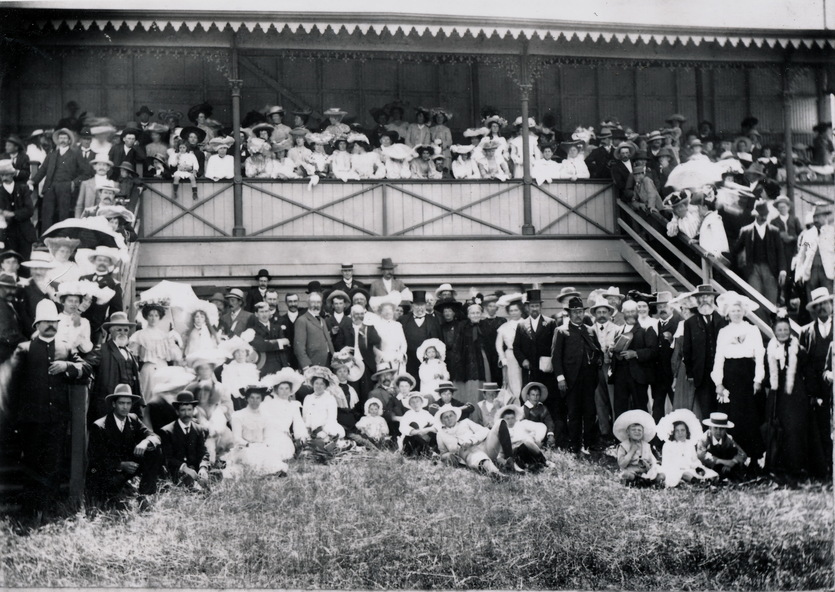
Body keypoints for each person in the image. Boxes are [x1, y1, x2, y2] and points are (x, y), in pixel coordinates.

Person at [9, 299, 91, 511]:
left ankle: (49, 507)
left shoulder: (65, 348)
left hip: (57, 418)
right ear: (36, 325)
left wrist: (67, 366)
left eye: (53, 321)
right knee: (31, 462)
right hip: (31, 419)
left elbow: (87, 368)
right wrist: (15, 418)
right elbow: (12, 387)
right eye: (45, 322)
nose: (50, 325)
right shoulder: (24, 349)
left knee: (53, 463)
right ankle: (31, 508)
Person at [711, 291, 765, 465]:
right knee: (733, 416)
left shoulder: (752, 329)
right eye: (733, 310)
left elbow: (759, 355)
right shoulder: (724, 332)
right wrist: (718, 382)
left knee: (751, 416)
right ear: (727, 313)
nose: (736, 313)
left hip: (747, 374)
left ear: (744, 311)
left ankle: (754, 459)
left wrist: (758, 379)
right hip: (730, 375)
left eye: (739, 310)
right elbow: (719, 357)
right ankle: (733, 458)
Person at [87, 384, 163, 505]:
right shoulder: (100, 426)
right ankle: (117, 494)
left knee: (153, 449)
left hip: (129, 468)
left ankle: (144, 494)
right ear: (113, 404)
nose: (125, 407)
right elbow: (96, 459)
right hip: (108, 471)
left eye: (128, 403)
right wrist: (120, 465)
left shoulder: (133, 419)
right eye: (121, 403)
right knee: (113, 501)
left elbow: (155, 437)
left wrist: (145, 442)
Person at [553, 296, 603, 452]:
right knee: (573, 413)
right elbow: (556, 357)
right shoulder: (561, 331)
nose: (578, 315)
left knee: (590, 412)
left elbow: (598, 350)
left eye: (580, 311)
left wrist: (599, 359)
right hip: (570, 380)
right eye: (574, 312)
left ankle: (590, 443)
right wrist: (560, 378)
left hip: (589, 379)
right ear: (569, 313)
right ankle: (574, 444)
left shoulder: (590, 330)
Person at [763, 311, 809, 477]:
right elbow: (767, 376)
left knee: (793, 430)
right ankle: (776, 467)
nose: (782, 333)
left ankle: (795, 467)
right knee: (776, 428)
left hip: (794, 395)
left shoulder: (799, 350)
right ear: (774, 331)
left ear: (790, 331)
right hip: (777, 396)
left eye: (785, 330)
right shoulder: (770, 350)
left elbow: (807, 372)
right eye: (779, 330)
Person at [799, 286, 834, 479]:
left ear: (831, 304)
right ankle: (825, 470)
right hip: (817, 392)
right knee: (821, 430)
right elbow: (804, 365)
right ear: (813, 309)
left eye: (825, 303)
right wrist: (811, 394)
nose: (822, 308)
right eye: (817, 305)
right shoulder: (805, 332)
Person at [87, 311, 144, 426]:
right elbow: (86, 365)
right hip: (108, 406)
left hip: (128, 406)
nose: (123, 333)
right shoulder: (102, 350)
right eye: (119, 330)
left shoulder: (129, 352)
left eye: (126, 330)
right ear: (110, 331)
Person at [732, 200, 786, 317]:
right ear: (756, 215)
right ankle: (760, 329)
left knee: (771, 300)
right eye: (761, 214)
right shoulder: (746, 231)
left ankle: (771, 328)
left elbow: (780, 252)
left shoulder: (774, 231)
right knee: (755, 300)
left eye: (765, 214)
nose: (764, 217)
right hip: (753, 269)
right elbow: (735, 249)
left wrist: (782, 270)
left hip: (770, 269)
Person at [682, 284, 727, 420]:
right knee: (706, 409)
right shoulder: (690, 323)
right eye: (702, 297)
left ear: (713, 298)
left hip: (723, 372)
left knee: (723, 407)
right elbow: (687, 349)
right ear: (697, 300)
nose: (705, 299)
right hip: (702, 374)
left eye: (708, 296)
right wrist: (690, 373)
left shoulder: (723, 320)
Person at [28, 128, 88, 230]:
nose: (62, 140)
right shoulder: (52, 154)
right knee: (47, 213)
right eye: (60, 138)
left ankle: (62, 237)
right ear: (57, 140)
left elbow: (86, 173)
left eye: (65, 138)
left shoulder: (75, 155)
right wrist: (33, 181)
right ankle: (45, 238)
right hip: (50, 186)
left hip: (65, 187)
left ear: (69, 141)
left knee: (63, 214)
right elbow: (43, 170)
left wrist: (74, 183)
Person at [225, 385, 289, 478]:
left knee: (271, 459)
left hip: (260, 447)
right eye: (252, 398)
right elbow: (237, 438)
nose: (255, 401)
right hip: (244, 448)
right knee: (251, 459)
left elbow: (267, 436)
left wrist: (265, 445)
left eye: (258, 398)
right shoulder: (238, 415)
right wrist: (249, 445)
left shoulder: (265, 416)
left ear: (261, 399)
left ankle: (268, 473)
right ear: (247, 399)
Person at [159, 391, 212, 489]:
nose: (187, 413)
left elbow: (203, 452)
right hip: (178, 471)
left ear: (193, 411)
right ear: (177, 412)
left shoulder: (199, 429)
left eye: (189, 410)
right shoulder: (167, 431)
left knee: (216, 475)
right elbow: (168, 458)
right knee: (189, 483)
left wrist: (203, 467)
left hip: (196, 471)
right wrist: (185, 468)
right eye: (183, 410)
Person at [658, 408, 717, 488]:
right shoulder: (668, 445)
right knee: (684, 474)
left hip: (690, 469)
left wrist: (698, 467)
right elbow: (667, 464)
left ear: (687, 432)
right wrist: (681, 469)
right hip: (674, 471)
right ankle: (698, 482)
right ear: (673, 433)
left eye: (683, 430)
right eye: (677, 431)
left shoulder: (689, 444)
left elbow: (694, 460)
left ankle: (702, 480)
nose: (680, 433)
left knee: (713, 474)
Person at [589, 297, 619, 443]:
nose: (601, 315)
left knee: (614, 399)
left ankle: (617, 431)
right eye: (598, 312)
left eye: (604, 312)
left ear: (609, 314)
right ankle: (604, 432)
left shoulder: (617, 329)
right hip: (595, 368)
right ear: (594, 314)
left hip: (610, 367)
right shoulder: (589, 330)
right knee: (599, 400)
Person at [80, 246, 124, 340]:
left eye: (105, 260)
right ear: (94, 261)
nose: (102, 263)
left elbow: (116, 310)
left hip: (96, 327)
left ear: (109, 263)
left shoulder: (114, 284)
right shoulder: (83, 279)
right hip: (78, 322)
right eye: (99, 260)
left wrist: (104, 326)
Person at [794, 203, 835, 305]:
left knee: (828, 300)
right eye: (814, 217)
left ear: (825, 217)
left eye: (818, 216)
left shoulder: (832, 232)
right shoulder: (808, 234)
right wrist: (799, 274)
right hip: (811, 272)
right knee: (812, 301)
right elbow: (801, 255)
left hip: (827, 272)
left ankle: (829, 320)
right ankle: (815, 320)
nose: (816, 220)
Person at [613, 409, 663, 485]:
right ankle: (637, 480)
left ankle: (644, 480)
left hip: (645, 472)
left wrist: (653, 466)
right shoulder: (623, 446)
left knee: (660, 475)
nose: (637, 432)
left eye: (639, 430)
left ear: (643, 432)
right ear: (628, 432)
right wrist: (631, 451)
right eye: (633, 430)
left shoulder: (646, 445)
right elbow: (622, 464)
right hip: (631, 471)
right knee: (625, 474)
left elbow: (652, 459)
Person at [399, 290, 442, 378]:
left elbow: (439, 340)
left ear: (425, 305)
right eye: (417, 305)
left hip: (427, 360)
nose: (420, 308)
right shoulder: (403, 320)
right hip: (409, 360)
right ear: (412, 306)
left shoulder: (434, 321)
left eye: (422, 305)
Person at [0, 159, 36, 262]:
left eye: (6, 175)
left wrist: (13, 214)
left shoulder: (23, 189)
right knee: (10, 265)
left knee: (25, 264)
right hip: (7, 235)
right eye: (2, 175)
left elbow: (29, 210)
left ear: (12, 175)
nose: (4, 178)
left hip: (24, 233)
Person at [695, 412, 748, 479]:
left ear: (726, 429)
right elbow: (701, 455)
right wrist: (723, 462)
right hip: (708, 466)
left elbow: (742, 454)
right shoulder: (704, 439)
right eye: (716, 428)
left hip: (724, 467)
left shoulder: (728, 439)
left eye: (722, 429)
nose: (718, 431)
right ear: (710, 428)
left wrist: (732, 462)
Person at [294, 292, 335, 370]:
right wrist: (306, 366)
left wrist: (334, 356)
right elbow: (298, 347)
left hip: (326, 363)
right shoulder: (302, 320)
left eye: (318, 302)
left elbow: (327, 341)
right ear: (308, 303)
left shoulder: (322, 320)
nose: (316, 305)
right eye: (313, 302)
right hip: (312, 364)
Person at [302, 366, 345, 440]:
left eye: (322, 384)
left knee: (323, 440)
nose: (318, 386)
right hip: (311, 429)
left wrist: (323, 430)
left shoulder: (330, 398)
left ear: (325, 386)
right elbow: (305, 417)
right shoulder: (308, 398)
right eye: (316, 383)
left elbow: (332, 418)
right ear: (313, 384)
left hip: (326, 428)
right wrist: (308, 429)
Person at [248, 301, 291, 377]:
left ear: (270, 313)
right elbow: (262, 346)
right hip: (263, 367)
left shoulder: (277, 328)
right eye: (261, 312)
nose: (264, 314)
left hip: (279, 366)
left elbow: (284, 349)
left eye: (266, 311)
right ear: (256, 314)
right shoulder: (252, 330)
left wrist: (285, 366)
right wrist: (280, 342)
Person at [495, 294, 524, 400]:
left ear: (521, 311)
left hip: (525, 355)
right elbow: (498, 345)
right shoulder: (504, 327)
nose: (513, 313)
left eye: (516, 310)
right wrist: (503, 358)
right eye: (511, 311)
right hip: (511, 356)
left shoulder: (526, 324)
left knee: (524, 380)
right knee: (513, 381)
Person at [518, 382, 555, 447]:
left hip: (540, 434)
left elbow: (549, 421)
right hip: (527, 434)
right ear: (528, 396)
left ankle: (538, 443)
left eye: (537, 395)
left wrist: (550, 435)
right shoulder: (523, 409)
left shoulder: (543, 408)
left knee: (544, 426)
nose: (535, 397)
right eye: (533, 395)